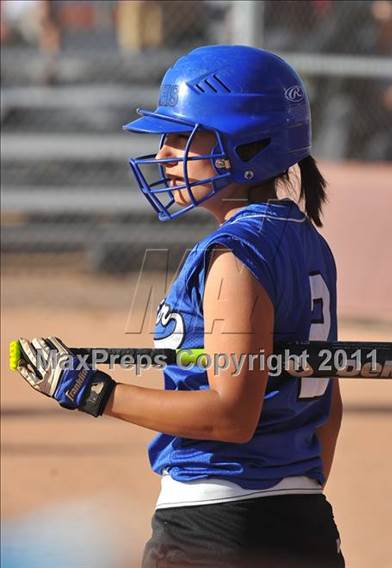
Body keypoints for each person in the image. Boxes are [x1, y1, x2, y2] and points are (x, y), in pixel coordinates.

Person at [15, 45, 345, 568]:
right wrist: (288, 492)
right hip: (303, 523)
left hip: (212, 532)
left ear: (247, 143)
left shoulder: (236, 256)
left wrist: (93, 391)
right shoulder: (307, 241)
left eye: (182, 137)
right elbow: (330, 405)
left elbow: (231, 415)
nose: (165, 154)